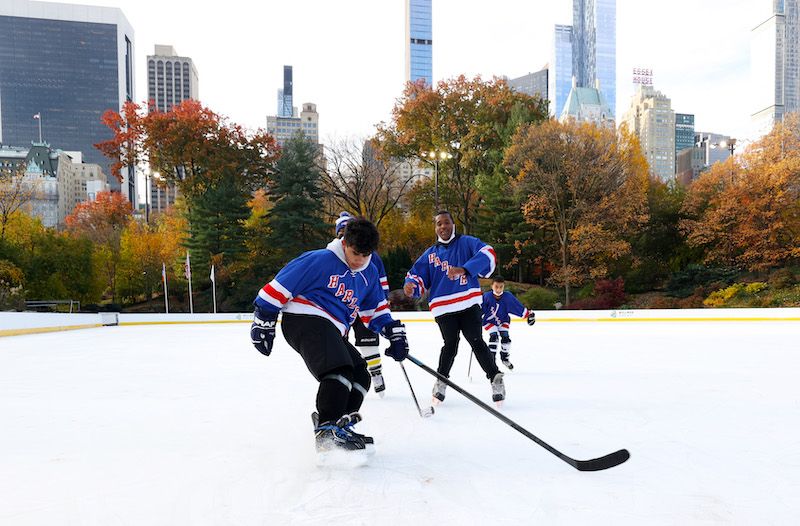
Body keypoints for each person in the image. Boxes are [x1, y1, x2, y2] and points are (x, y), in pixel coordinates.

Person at [250, 217, 409, 455]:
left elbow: (374, 310)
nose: (359, 261)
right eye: (356, 253)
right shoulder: (320, 260)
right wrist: (263, 322)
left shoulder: (369, 272)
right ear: (344, 242)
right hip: (304, 318)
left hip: (333, 328)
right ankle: (327, 429)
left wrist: (392, 332)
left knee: (360, 375)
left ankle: (341, 425)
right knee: (338, 369)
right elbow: (277, 288)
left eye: (366, 255)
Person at [403, 210, 505, 405]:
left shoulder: (467, 242)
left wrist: (465, 269)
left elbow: (488, 253)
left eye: (446, 222)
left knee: (476, 341)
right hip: (443, 308)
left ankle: (495, 378)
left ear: (453, 224)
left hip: (468, 303)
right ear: (435, 228)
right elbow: (416, 275)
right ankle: (441, 381)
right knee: (450, 344)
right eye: (439, 224)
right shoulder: (430, 254)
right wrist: (411, 286)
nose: (443, 227)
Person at [334, 212, 390, 397]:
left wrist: (383, 300)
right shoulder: (332, 255)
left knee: (368, 342)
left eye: (346, 229)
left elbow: (381, 281)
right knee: (339, 345)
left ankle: (376, 374)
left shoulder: (370, 255)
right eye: (340, 231)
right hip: (343, 308)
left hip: (365, 305)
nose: (343, 234)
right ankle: (344, 378)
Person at [481, 276, 536, 371]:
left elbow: (517, 306)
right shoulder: (486, 296)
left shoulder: (508, 296)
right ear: (492, 286)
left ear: (504, 286)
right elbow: (479, 308)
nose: (498, 289)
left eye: (501, 287)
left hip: (503, 320)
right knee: (494, 337)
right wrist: (474, 317)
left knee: (506, 338)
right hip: (489, 321)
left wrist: (528, 314)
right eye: (496, 286)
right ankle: (491, 361)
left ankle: (504, 358)